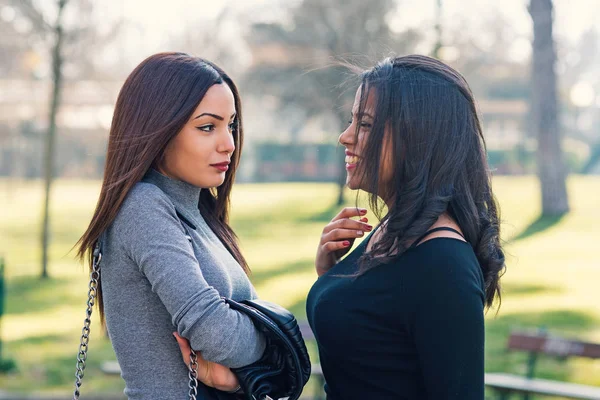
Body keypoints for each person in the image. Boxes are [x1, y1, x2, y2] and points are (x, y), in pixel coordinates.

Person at [306, 55, 505, 400]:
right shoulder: (395, 231)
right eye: (352, 121)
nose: (345, 137)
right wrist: (331, 275)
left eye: (366, 125)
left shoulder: (444, 264)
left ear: (418, 139)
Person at [77, 52, 266, 399]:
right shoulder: (143, 208)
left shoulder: (197, 211)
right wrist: (276, 336)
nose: (229, 143)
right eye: (207, 127)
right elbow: (217, 336)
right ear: (158, 130)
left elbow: (228, 339)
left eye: (231, 124)